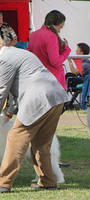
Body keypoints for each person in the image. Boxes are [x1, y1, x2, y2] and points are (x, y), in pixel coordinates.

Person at [0, 36, 68, 193]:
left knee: (15, 138)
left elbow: (2, 90)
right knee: (41, 143)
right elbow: (18, 85)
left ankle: (3, 183)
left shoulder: (4, 58)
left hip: (38, 97)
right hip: (56, 96)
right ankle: (48, 181)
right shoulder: (19, 53)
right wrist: (10, 110)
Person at [27, 10, 71, 90]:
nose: (59, 31)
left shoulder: (33, 34)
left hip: (38, 80)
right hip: (53, 82)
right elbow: (55, 62)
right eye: (60, 27)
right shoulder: (51, 36)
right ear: (55, 24)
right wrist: (66, 50)